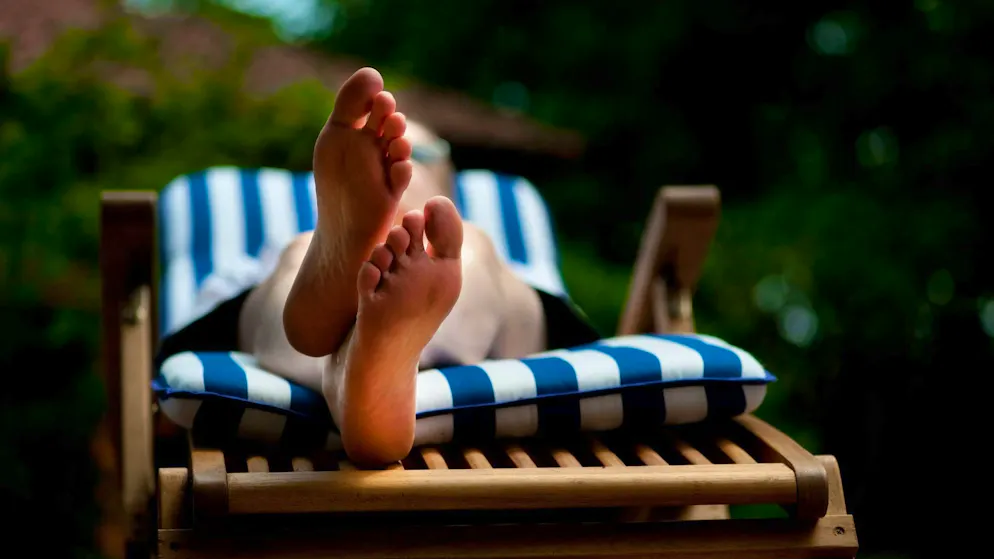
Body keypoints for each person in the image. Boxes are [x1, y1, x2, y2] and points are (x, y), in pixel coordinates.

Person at [155, 67, 600, 466]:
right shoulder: (282, 248)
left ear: (450, 181)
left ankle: (367, 362)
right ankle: (363, 358)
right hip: (296, 281)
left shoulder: (487, 245)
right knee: (296, 257)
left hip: (468, 285)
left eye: (416, 155)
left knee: (471, 255)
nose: (392, 157)